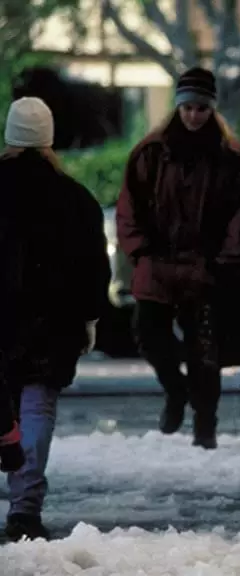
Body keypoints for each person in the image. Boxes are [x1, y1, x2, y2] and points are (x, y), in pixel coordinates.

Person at [116, 67, 240, 450]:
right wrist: (139, 249)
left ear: (212, 110)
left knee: (204, 352)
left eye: (201, 109)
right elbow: (130, 205)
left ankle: (204, 427)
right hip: (158, 259)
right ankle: (176, 392)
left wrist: (225, 256)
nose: (194, 115)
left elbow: (239, 211)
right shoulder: (152, 152)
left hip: (203, 265)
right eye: (189, 107)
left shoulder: (227, 157)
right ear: (178, 107)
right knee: (149, 335)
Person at [0, 97, 111, 540]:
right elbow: (93, 267)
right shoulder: (74, 198)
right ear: (48, 139)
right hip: (52, 321)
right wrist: (89, 319)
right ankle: (24, 505)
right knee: (37, 407)